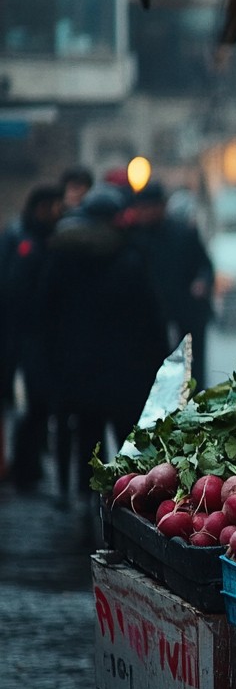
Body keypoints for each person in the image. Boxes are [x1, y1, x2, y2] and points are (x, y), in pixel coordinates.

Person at [39, 184, 168, 511]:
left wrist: (55, 364)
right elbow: (151, 319)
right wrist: (159, 363)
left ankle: (86, 499)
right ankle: (132, 502)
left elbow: (46, 316)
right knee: (130, 441)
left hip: (80, 372)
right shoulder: (130, 258)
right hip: (126, 373)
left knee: (87, 440)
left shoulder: (63, 256)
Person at [0, 184, 65, 492]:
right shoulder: (24, 240)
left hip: (36, 335)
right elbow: (17, 291)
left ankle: (30, 465)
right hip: (26, 335)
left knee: (39, 403)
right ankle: (25, 467)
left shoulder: (38, 237)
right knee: (35, 402)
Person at [126, 183, 215, 388]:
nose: (145, 213)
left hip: (187, 312)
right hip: (151, 317)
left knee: (192, 372)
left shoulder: (182, 233)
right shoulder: (134, 238)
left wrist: (201, 282)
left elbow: (205, 266)